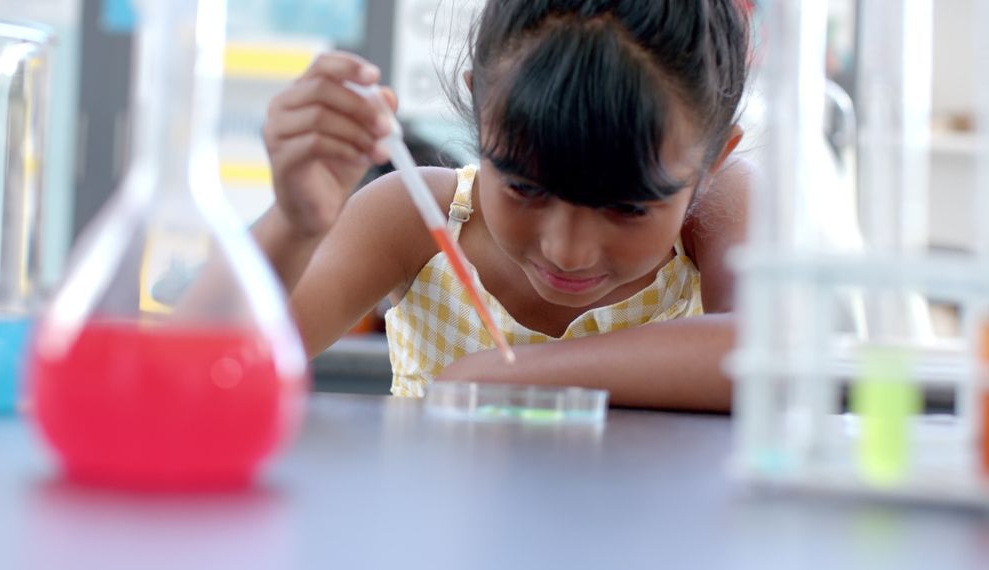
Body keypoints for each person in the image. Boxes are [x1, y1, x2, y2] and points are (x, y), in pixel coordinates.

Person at [254, 0, 754, 411]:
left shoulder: (721, 202)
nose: (568, 252)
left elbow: (768, 354)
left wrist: (499, 375)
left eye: (627, 208)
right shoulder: (418, 215)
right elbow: (231, 362)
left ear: (713, 162)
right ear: (480, 111)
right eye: (526, 189)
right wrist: (291, 224)